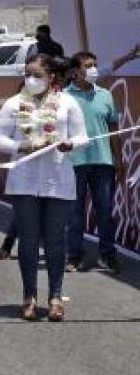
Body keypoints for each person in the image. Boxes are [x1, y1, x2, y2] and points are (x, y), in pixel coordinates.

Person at [0, 54, 87, 322]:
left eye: (36, 74)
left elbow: (83, 137)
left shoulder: (68, 103)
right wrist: (21, 146)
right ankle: (28, 296)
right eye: (27, 73)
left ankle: (55, 296)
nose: (30, 79)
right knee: (29, 240)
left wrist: (71, 144)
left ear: (51, 77)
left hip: (58, 178)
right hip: (24, 180)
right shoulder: (14, 103)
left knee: (56, 240)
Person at [65, 52, 122, 273]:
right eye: (88, 66)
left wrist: (117, 158)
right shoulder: (65, 97)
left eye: (95, 65)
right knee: (75, 212)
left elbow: (114, 129)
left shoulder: (105, 95)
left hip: (103, 162)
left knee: (105, 211)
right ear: (75, 71)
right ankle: (75, 256)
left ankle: (108, 255)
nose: (93, 70)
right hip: (74, 162)